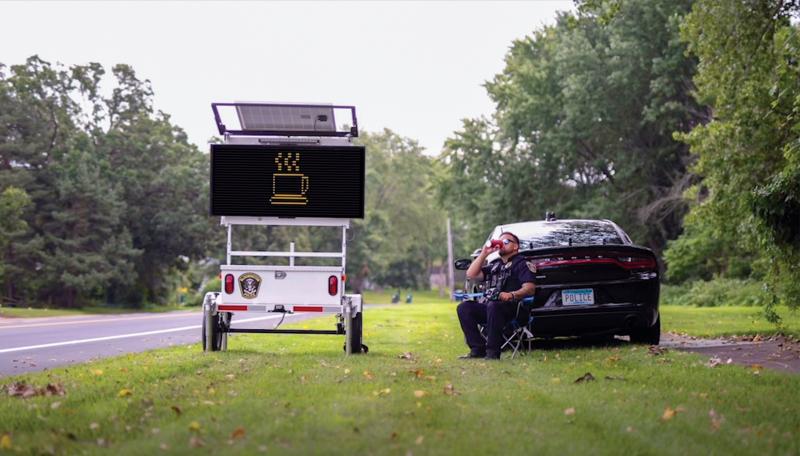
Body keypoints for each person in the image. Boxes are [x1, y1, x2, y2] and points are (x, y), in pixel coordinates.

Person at [456, 232, 536, 360]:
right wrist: (484, 253)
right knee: (464, 308)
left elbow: (530, 288)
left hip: (513, 309)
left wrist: (511, 294)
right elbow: (471, 275)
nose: (501, 244)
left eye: (505, 242)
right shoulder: (495, 265)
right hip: (491, 308)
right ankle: (478, 349)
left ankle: (492, 353)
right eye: (499, 242)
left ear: (515, 246)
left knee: (494, 306)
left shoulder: (522, 263)